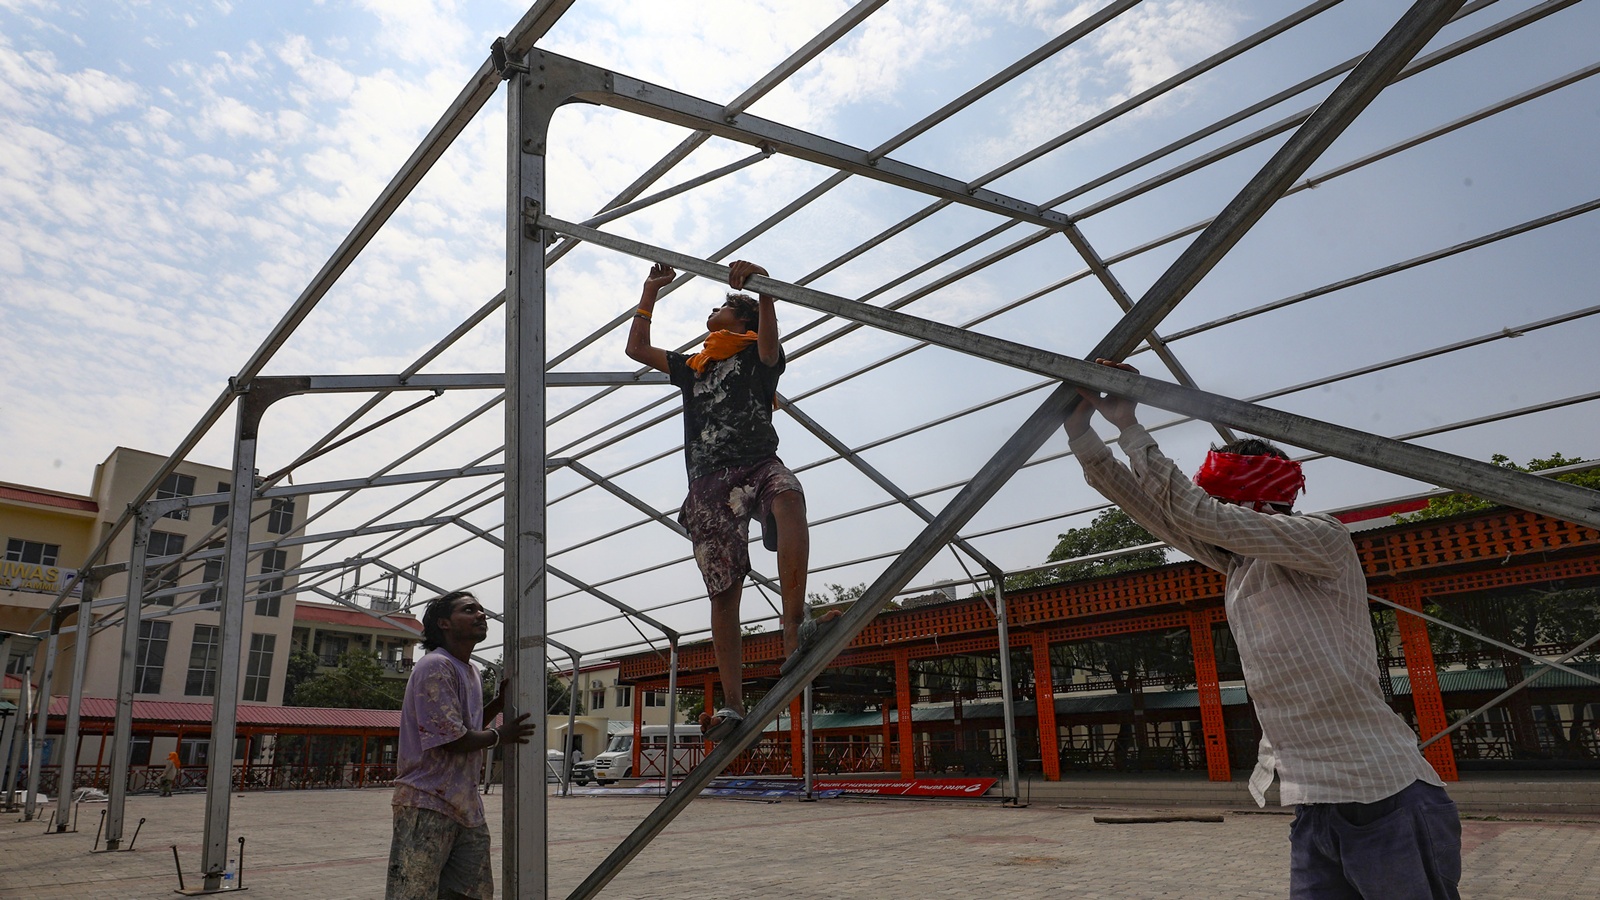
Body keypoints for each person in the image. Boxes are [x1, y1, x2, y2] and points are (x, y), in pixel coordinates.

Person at [1065, 358, 1461, 900]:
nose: (1205, 509)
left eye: (1220, 499)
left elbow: (1199, 515)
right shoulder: (1239, 564)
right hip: (1315, 803)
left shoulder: (1321, 540)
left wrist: (1131, 427)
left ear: (1253, 502)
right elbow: (1158, 513)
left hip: (1385, 795)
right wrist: (1081, 432)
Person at [625, 260, 838, 742]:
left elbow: (768, 338)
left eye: (722, 306)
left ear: (742, 322)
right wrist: (649, 291)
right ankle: (735, 706)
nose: (713, 310)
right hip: (708, 486)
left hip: (757, 462)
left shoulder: (757, 356)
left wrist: (762, 287)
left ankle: (793, 627)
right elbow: (635, 348)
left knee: (789, 496)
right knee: (724, 593)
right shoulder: (694, 364)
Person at [387, 590, 536, 900]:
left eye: (481, 609)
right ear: (444, 623)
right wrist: (501, 735)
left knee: (471, 893)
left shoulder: (470, 671)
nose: (481, 615)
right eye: (469, 610)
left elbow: (465, 728)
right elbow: (453, 739)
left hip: (465, 807)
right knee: (413, 893)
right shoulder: (435, 666)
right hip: (426, 802)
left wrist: (496, 706)